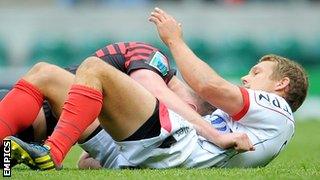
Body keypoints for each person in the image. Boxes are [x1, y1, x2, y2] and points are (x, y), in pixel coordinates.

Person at [1, 41, 247, 169]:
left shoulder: (151, 119)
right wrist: (212, 133)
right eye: (187, 111)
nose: (180, 116)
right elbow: (153, 87)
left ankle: (44, 153)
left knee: (43, 72)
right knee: (43, 73)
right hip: (41, 111)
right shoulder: (154, 59)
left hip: (42, 114)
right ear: (190, 103)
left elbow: (91, 158)